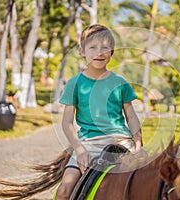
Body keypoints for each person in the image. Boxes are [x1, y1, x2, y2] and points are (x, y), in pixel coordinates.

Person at [56, 24, 143, 200]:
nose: (99, 52)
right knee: (64, 191)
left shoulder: (120, 82)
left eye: (105, 47)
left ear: (111, 52)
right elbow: (66, 123)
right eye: (93, 47)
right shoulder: (75, 83)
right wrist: (79, 149)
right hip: (89, 143)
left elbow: (131, 116)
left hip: (122, 142)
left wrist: (138, 144)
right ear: (82, 51)